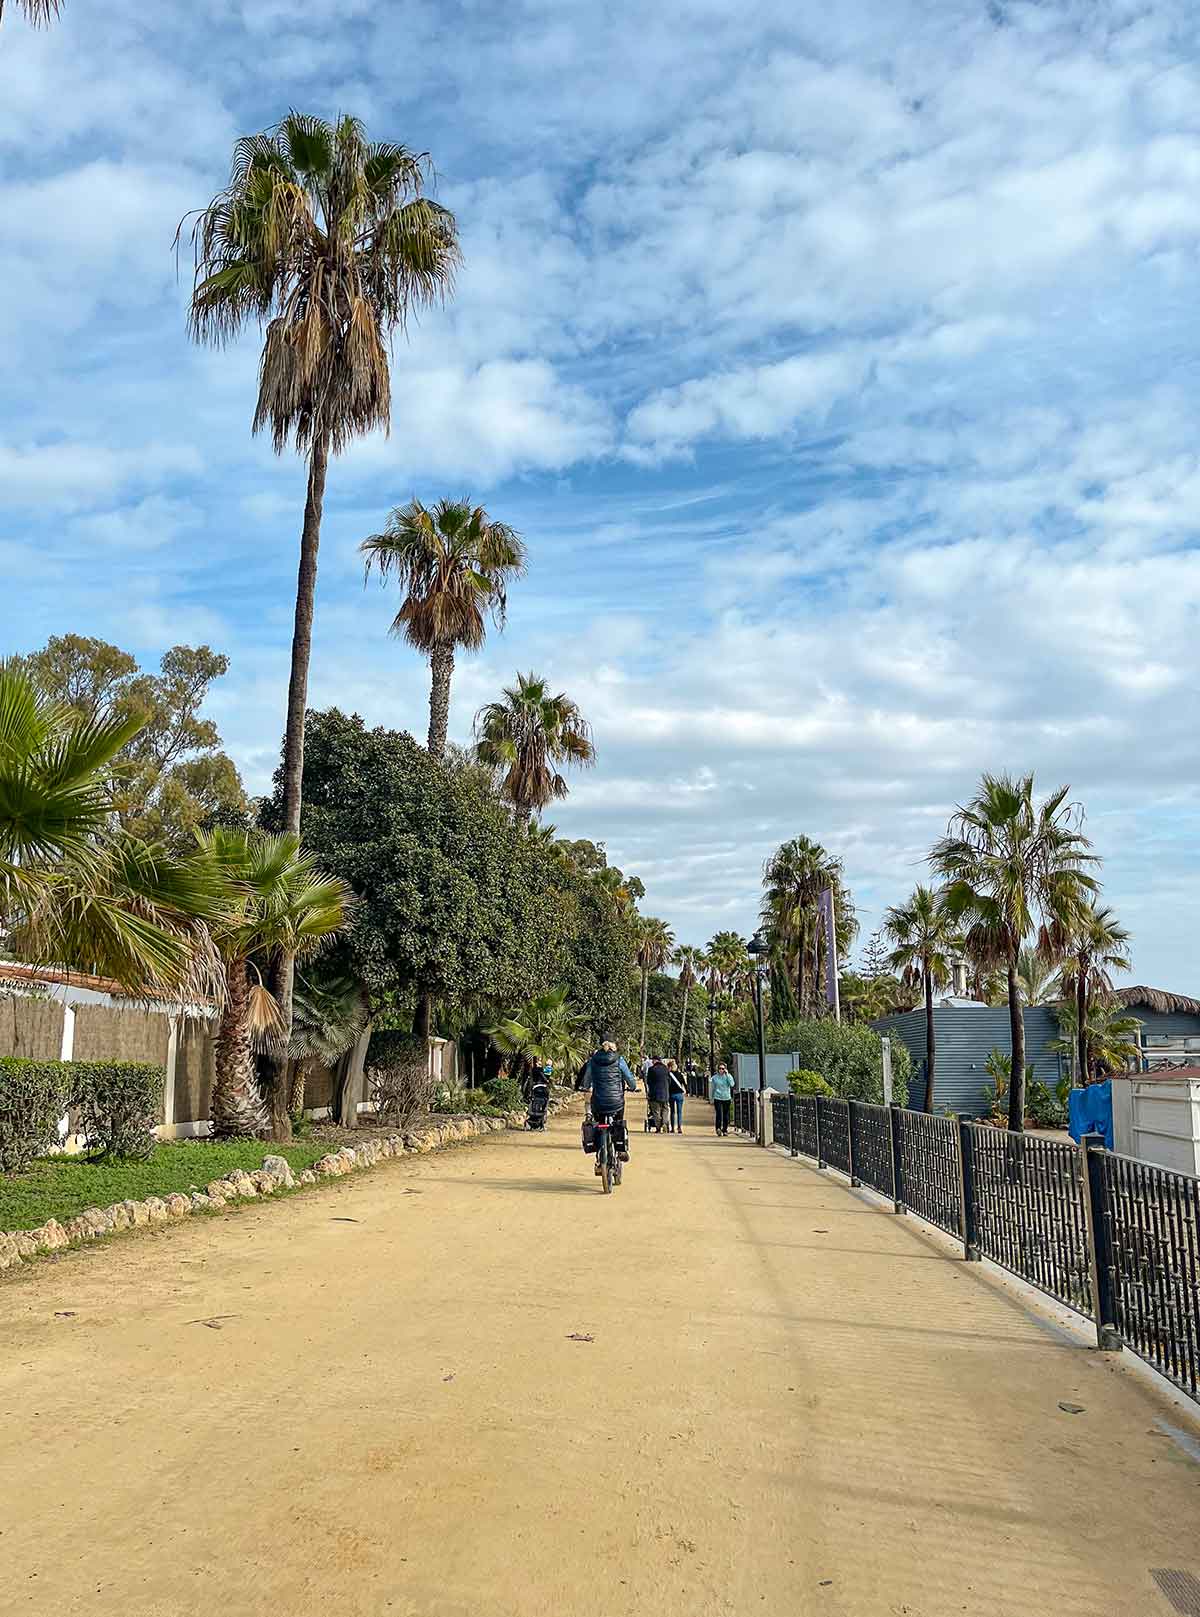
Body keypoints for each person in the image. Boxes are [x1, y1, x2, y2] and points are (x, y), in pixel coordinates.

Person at [578, 1040, 638, 1167]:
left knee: (598, 1125)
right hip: (616, 1102)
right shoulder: (619, 1060)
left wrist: (585, 1087)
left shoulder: (593, 1061)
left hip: (598, 1102)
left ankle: (599, 1158)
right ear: (614, 1049)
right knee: (618, 1122)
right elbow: (629, 1078)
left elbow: (587, 1081)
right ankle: (621, 1149)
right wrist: (632, 1087)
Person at [645, 1056, 671, 1132]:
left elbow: (648, 1082)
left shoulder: (651, 1069)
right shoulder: (666, 1069)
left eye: (653, 1060)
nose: (652, 1062)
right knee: (665, 1109)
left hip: (654, 1094)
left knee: (656, 1111)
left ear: (655, 1060)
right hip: (665, 1094)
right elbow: (669, 1081)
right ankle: (664, 1123)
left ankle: (658, 1127)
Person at [709, 1063, 734, 1135]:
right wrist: (711, 1098)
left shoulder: (728, 1076)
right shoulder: (714, 1077)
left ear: (725, 1069)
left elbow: (732, 1084)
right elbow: (712, 1088)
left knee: (726, 1115)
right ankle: (718, 1128)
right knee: (719, 1114)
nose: (721, 1070)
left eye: (723, 1068)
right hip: (718, 1097)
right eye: (720, 1068)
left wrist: (727, 1075)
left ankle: (725, 1129)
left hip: (726, 1097)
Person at [667, 1059, 686, 1133]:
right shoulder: (680, 1074)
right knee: (679, 1112)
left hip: (671, 1094)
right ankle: (679, 1127)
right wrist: (687, 1091)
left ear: (670, 1067)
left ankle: (672, 1128)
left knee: (672, 1112)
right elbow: (684, 1083)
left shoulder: (669, 1075)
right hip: (679, 1094)